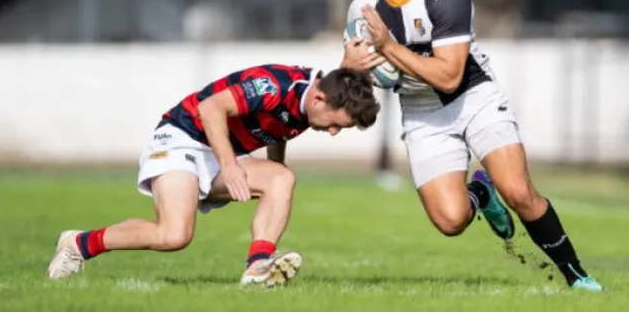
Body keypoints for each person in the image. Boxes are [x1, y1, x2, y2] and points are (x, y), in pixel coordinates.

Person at [341, 0, 603, 291]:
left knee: (518, 192)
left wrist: (389, 48)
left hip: (472, 96)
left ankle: (577, 275)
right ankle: (480, 192)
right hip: (421, 111)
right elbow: (353, 79)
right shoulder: (361, 9)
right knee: (450, 221)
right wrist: (349, 68)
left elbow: (449, 76)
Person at [45, 65, 380, 286]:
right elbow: (211, 108)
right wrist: (230, 164)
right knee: (173, 236)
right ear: (320, 98)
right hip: (182, 138)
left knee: (282, 179)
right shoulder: (275, 86)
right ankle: (78, 243)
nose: (335, 132)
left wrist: (273, 168)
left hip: (219, 152)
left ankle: (257, 266)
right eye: (337, 123)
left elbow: (278, 131)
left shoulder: (313, 105)